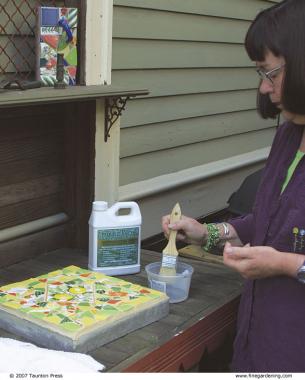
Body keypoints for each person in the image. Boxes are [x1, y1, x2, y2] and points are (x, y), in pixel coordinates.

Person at [162, 0, 305, 372]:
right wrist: (205, 232)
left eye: (270, 73)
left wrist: (287, 265)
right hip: (260, 343)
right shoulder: (290, 135)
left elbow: (284, 252)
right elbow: (268, 223)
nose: (263, 87)